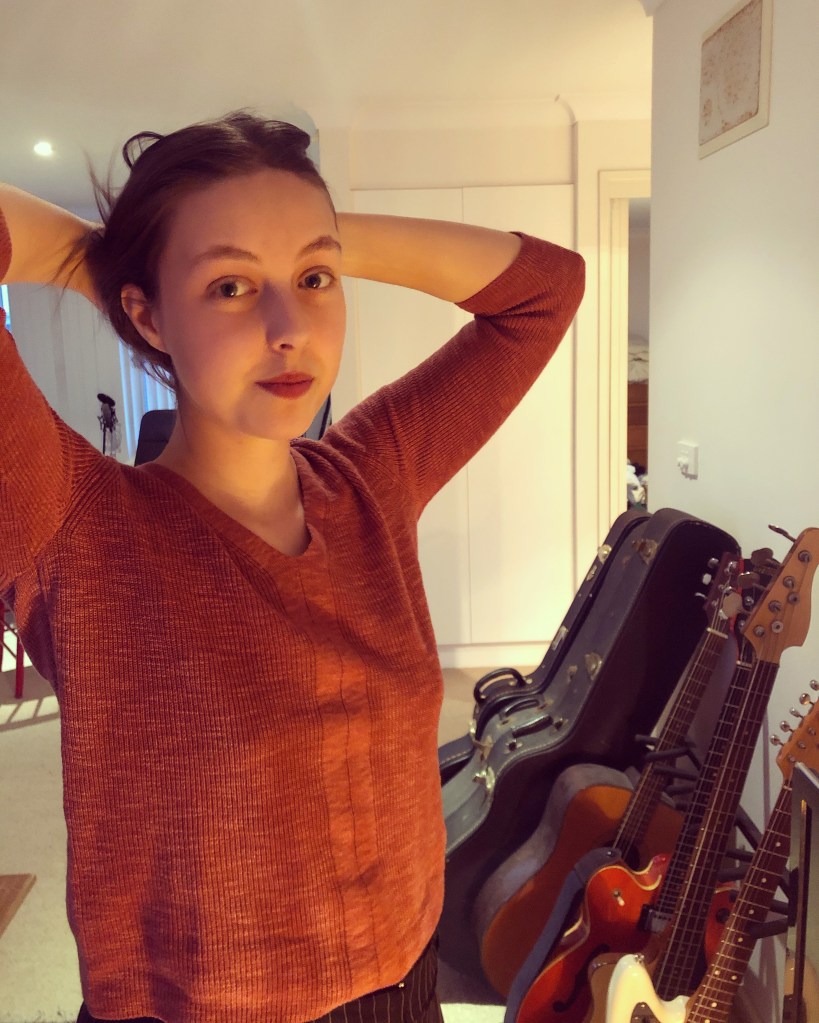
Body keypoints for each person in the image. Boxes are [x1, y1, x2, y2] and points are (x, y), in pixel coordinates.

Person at [0, 111, 585, 1023]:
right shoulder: (77, 527)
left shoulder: (371, 476)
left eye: (314, 279)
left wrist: (316, 237)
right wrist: (104, 264)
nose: (289, 329)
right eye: (229, 286)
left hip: (404, 986)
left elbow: (545, 288)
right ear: (146, 315)